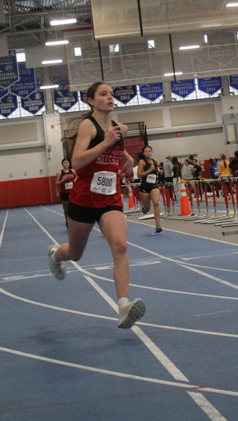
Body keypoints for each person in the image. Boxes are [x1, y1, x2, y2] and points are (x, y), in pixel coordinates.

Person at [46, 81, 145, 329]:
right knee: (75, 254)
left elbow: (119, 145)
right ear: (91, 101)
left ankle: (123, 306)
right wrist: (106, 142)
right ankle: (56, 254)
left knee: (120, 246)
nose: (110, 97)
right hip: (84, 200)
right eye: (103, 94)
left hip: (110, 198)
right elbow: (77, 162)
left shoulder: (116, 128)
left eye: (111, 93)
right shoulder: (88, 126)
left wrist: (129, 160)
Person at [135, 144, 163, 233]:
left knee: (156, 202)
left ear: (152, 152)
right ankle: (144, 208)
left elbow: (156, 171)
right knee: (147, 209)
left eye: (149, 151)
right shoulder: (142, 161)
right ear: (143, 153)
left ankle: (157, 225)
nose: (148, 153)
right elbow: (139, 175)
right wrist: (149, 170)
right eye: (146, 152)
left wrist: (159, 171)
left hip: (154, 185)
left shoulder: (154, 161)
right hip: (144, 187)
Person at [55, 158, 76, 228]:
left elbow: (77, 177)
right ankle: (67, 222)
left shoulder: (72, 171)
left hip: (72, 193)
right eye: (64, 163)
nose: (66, 164)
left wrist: (74, 180)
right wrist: (63, 180)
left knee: (74, 208)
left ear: (69, 164)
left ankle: (74, 222)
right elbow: (57, 184)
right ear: (62, 164)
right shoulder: (59, 173)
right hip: (64, 193)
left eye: (67, 162)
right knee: (66, 209)